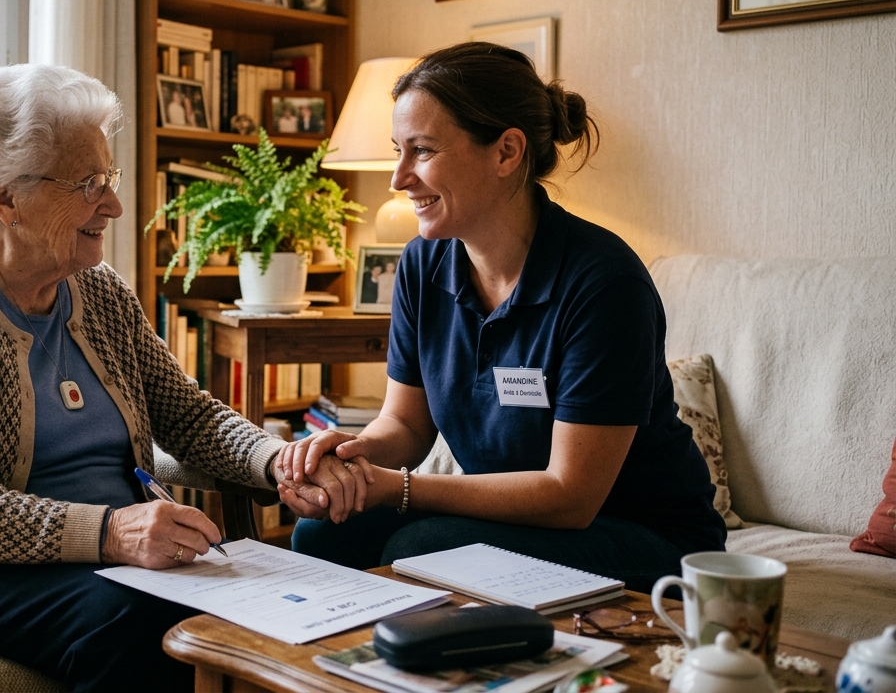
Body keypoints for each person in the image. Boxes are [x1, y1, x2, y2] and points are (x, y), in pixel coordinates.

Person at [0, 63, 367, 693]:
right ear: (3, 198)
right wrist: (109, 532)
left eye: (108, 178)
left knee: (293, 604)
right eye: (88, 184)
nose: (114, 205)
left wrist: (278, 460)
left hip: (118, 555)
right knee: (141, 623)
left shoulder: (98, 291)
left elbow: (188, 414)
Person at [274, 42, 727, 592]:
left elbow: (570, 496)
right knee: (323, 533)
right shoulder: (421, 264)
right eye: (398, 150)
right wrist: (348, 458)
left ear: (507, 152)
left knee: (421, 549)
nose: (397, 178)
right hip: (516, 520)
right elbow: (407, 426)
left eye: (422, 151)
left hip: (643, 536)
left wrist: (396, 488)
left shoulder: (605, 283)